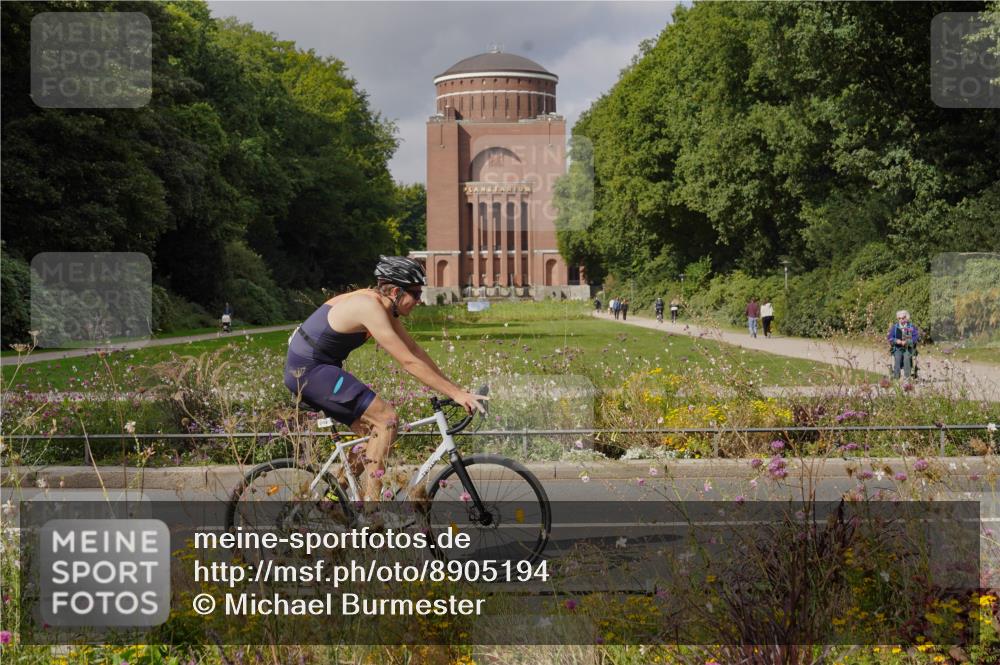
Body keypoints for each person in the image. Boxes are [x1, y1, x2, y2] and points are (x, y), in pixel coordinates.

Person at [284, 256, 488, 501]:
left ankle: (333, 497)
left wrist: (456, 389)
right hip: (309, 370)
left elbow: (415, 351)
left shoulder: (383, 304)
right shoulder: (368, 307)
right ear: (394, 291)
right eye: (415, 293)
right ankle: (372, 510)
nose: (419, 300)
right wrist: (455, 394)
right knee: (387, 420)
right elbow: (408, 362)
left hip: (320, 367)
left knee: (376, 433)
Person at [886, 310, 920, 380]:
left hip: (908, 347)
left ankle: (907, 377)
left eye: (903, 318)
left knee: (907, 357)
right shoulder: (895, 327)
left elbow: (916, 337)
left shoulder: (911, 326)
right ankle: (896, 377)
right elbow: (890, 338)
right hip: (898, 348)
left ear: (906, 318)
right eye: (899, 318)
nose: (901, 320)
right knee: (897, 357)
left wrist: (908, 341)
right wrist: (896, 340)